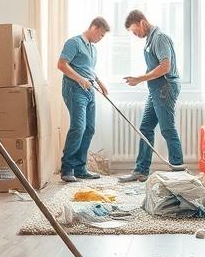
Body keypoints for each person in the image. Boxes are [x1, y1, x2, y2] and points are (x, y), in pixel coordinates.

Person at [117, 10, 184, 181]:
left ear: (142, 22)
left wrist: (140, 79)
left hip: (165, 87)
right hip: (155, 89)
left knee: (167, 129)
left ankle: (179, 173)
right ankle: (141, 170)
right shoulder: (149, 40)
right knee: (145, 128)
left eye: (135, 31)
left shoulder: (159, 38)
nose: (135, 34)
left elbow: (165, 67)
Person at [58, 17, 110, 182]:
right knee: (78, 127)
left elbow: (89, 70)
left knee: (89, 128)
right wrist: (80, 79)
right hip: (75, 89)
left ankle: (80, 169)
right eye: (101, 35)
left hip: (90, 90)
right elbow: (61, 64)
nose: (101, 39)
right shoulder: (74, 43)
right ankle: (67, 169)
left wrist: (100, 83)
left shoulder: (92, 49)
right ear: (94, 27)